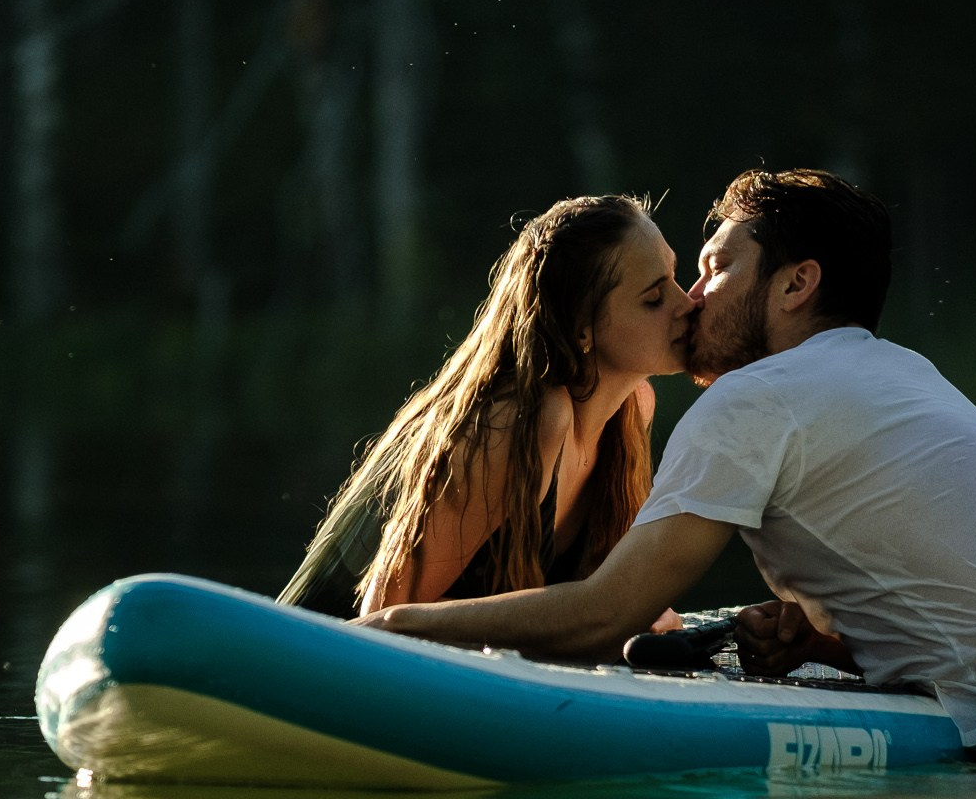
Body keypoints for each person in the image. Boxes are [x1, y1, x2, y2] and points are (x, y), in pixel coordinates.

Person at [362, 167, 976, 777]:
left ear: (795, 286)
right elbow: (971, 613)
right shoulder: (904, 373)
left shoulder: (754, 400)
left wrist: (387, 632)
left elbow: (605, 615)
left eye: (715, 269)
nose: (694, 298)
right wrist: (820, 646)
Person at [281, 192, 691, 623]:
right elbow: (382, 616)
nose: (686, 304)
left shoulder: (633, 408)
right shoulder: (520, 421)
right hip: (306, 653)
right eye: (654, 298)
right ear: (581, 328)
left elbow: (601, 598)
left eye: (676, 279)